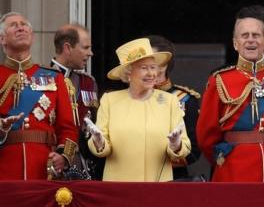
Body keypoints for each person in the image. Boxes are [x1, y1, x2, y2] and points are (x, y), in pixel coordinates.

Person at [196, 6, 264, 182]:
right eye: (245, 35)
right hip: (232, 169)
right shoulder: (219, 80)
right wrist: (222, 158)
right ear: (235, 43)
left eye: (256, 35)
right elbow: (206, 135)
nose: (251, 40)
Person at [86, 38, 191, 181]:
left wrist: (176, 145)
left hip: (158, 188)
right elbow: (102, 148)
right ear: (128, 72)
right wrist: (99, 141)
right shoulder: (110, 100)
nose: (151, 73)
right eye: (144, 68)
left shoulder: (170, 101)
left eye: (153, 67)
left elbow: (185, 147)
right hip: (119, 188)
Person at [0, 12, 77, 180]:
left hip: (43, 169)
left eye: (24, 24)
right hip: (4, 169)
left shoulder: (54, 77)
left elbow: (68, 128)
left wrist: (63, 157)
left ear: (32, 36)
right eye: (14, 25)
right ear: (2, 39)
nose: (21, 27)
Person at [51, 23, 104, 180]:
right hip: (52, 163)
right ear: (68, 48)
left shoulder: (89, 82)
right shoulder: (41, 78)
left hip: (82, 167)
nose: (91, 53)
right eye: (86, 48)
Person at [148, 35, 202, 180]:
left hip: (172, 178)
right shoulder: (127, 97)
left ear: (166, 63)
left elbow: (194, 152)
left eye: (153, 60)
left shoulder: (185, 99)